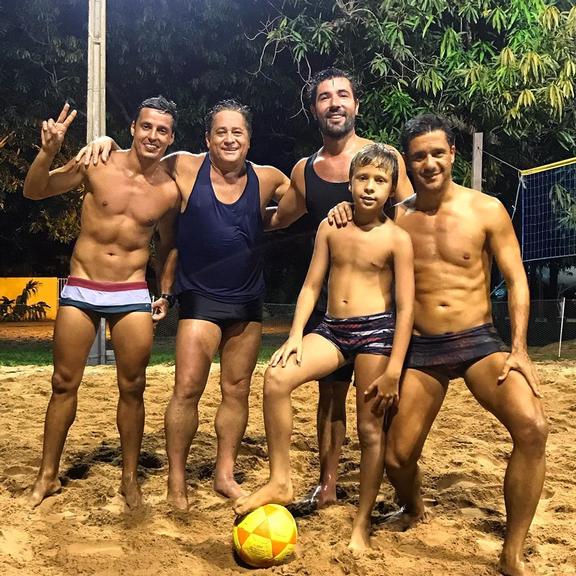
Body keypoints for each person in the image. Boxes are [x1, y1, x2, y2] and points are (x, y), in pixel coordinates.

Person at [330, 114, 548, 575]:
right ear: (407, 164)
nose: (428, 163)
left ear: (452, 154)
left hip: (478, 341)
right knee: (396, 457)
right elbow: (358, 219)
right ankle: (413, 508)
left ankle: (512, 553)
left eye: (436, 153)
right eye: (418, 156)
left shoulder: (487, 209)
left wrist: (521, 348)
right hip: (422, 349)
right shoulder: (398, 215)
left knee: (532, 428)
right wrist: (341, 210)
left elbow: (517, 280)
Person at [79, 100, 290, 510]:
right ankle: (177, 481)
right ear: (207, 139)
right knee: (187, 390)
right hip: (199, 300)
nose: (229, 139)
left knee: (237, 389)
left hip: (247, 302)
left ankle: (224, 474)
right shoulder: (185, 167)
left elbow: (304, 198)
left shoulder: (268, 178)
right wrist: (104, 141)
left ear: (249, 139)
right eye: (220, 132)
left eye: (237, 132)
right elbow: (140, 157)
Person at [234, 143, 414, 553]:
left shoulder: (397, 239)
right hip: (332, 328)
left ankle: (362, 522)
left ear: (391, 189)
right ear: (349, 183)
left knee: (370, 429)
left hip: (377, 334)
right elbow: (313, 284)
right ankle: (281, 478)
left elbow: (406, 310)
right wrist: (296, 334)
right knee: (277, 378)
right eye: (363, 178)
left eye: (379, 181)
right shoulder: (331, 227)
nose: (369, 188)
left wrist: (394, 368)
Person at [23, 97, 181, 508]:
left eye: (162, 130)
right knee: (62, 384)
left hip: (131, 292)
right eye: (147, 126)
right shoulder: (97, 161)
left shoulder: (169, 190)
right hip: (82, 286)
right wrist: (48, 151)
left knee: (133, 387)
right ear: (133, 127)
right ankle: (47, 476)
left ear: (171, 138)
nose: (153, 136)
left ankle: (130, 479)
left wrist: (164, 291)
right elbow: (35, 189)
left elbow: (169, 245)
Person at [268, 68, 414, 509]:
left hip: (379, 309)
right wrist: (226, 213)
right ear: (315, 109)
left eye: (343, 95)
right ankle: (327, 484)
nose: (335, 103)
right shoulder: (304, 170)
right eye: (325, 96)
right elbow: (279, 217)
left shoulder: (382, 159)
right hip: (329, 304)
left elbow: (408, 214)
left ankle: (389, 492)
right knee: (328, 398)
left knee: (375, 412)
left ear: (356, 104)